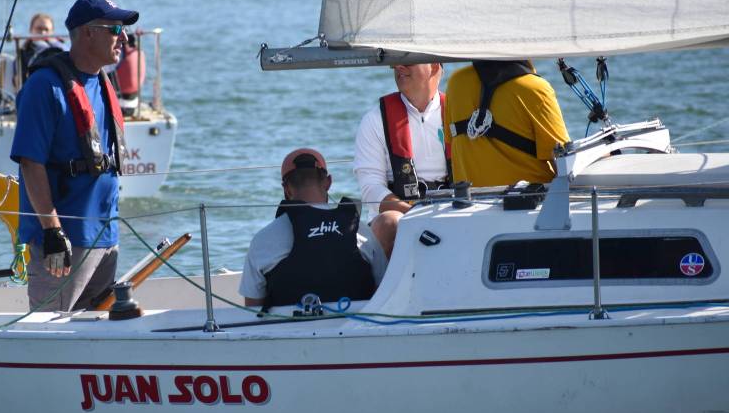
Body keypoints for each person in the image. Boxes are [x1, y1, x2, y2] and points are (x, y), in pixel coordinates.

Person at [10, 0, 139, 312]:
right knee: (49, 336)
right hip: (64, 244)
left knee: (95, 333)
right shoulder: (45, 87)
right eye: (114, 29)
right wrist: (52, 231)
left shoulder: (102, 82)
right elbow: (30, 163)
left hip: (105, 237)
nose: (123, 37)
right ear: (88, 32)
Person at [239, 148, 388, 310]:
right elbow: (383, 289)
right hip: (354, 327)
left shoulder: (264, 240)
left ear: (286, 189)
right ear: (328, 182)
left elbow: (252, 310)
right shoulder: (361, 232)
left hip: (289, 330)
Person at [353, 62, 448, 255]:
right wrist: (416, 214)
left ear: (435, 67)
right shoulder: (374, 120)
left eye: (408, 61)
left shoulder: (461, 114)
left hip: (453, 211)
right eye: (395, 61)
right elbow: (371, 189)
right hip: (400, 219)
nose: (398, 66)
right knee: (389, 222)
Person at [444, 60, 570, 186]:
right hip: (531, 201)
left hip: (470, 202)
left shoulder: (456, 83)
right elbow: (565, 165)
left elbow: (450, 147)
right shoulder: (535, 89)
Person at [18, 12, 64, 81]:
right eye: (39, 29)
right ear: (31, 30)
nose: (43, 33)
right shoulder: (23, 52)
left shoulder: (62, 49)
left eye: (46, 29)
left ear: (52, 32)